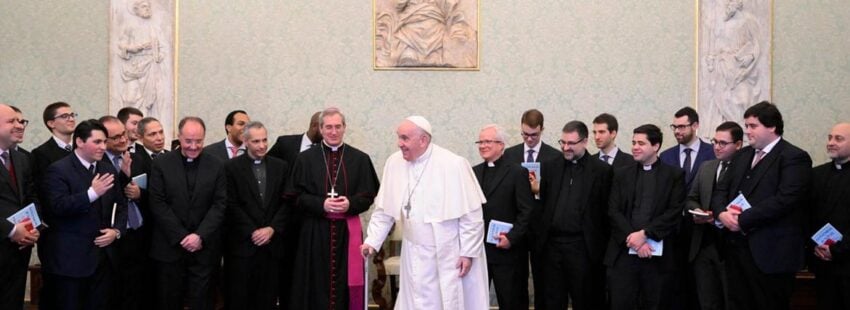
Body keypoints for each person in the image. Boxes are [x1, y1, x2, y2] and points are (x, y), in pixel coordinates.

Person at [361, 116, 489, 310]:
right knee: (414, 300)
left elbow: (472, 215)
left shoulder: (453, 164)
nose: (399, 144)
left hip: (447, 250)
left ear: (423, 140)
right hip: (412, 249)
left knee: (444, 301)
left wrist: (468, 252)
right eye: (399, 137)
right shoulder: (394, 163)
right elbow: (384, 209)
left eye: (404, 138)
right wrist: (372, 240)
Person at [711, 101, 812, 310]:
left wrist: (742, 220)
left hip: (772, 253)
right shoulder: (742, 155)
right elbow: (720, 189)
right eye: (746, 126)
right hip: (735, 250)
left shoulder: (794, 157)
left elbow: (786, 199)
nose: (747, 131)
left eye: (753, 126)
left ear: (772, 126)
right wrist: (721, 213)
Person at [286, 107, 379, 310]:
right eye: (328, 127)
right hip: (314, 232)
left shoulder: (360, 159)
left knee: (346, 282)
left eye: (338, 126)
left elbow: (368, 195)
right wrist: (321, 204)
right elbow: (295, 197)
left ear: (344, 128)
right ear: (321, 128)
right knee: (314, 281)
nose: (333, 131)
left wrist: (351, 204)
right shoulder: (305, 159)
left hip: (348, 233)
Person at [39, 119, 128, 310]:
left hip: (104, 260)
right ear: (79, 142)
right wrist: (91, 194)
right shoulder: (58, 170)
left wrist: (117, 232)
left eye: (104, 142)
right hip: (71, 262)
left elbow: (121, 206)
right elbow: (57, 207)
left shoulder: (107, 168)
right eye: (97, 142)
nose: (103, 147)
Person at [149, 117, 226, 310]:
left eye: (198, 141)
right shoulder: (161, 163)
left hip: (204, 247)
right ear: (179, 137)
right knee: (168, 300)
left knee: (202, 301)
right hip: (169, 246)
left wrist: (199, 236)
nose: (193, 146)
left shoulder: (216, 164)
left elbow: (220, 204)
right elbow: (157, 203)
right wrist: (182, 236)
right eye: (188, 141)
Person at [606, 124, 686, 310]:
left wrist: (645, 234)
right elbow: (613, 211)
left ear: (656, 146)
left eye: (641, 143)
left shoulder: (674, 175)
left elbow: (674, 212)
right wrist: (635, 240)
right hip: (623, 254)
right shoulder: (621, 174)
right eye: (633, 142)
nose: (635, 147)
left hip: (657, 256)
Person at [536, 121, 613, 310]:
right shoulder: (550, 167)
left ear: (585, 142)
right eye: (562, 142)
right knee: (552, 300)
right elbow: (543, 206)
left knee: (585, 299)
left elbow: (605, 212)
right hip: (552, 247)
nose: (565, 147)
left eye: (571, 143)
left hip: (583, 248)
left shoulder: (602, 171)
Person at [223, 121, 290, 310]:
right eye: (256, 141)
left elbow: (287, 203)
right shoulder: (230, 167)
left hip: (272, 245)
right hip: (242, 246)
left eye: (264, 140)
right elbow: (230, 204)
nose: (262, 146)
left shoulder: (281, 167)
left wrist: (271, 229)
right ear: (245, 141)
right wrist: (253, 231)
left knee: (267, 298)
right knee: (240, 298)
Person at [501, 108, 559, 308]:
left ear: (542, 130)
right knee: (516, 280)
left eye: (534, 135)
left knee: (544, 279)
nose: (529, 139)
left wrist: (539, 189)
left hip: (542, 227)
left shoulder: (554, 157)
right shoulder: (509, 155)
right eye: (525, 134)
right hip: (516, 226)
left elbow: (557, 196)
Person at [659, 106, 715, 310]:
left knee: (701, 288)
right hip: (672, 232)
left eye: (682, 127)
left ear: (695, 125)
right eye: (674, 127)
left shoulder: (712, 153)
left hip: (703, 232)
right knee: (674, 286)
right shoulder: (665, 156)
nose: (677, 131)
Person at [472, 124, 534, 309]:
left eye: (488, 141)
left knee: (511, 301)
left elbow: (527, 211)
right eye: (480, 141)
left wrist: (511, 238)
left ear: (501, 145)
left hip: (508, 251)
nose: (483, 145)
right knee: (477, 302)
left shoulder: (517, 172)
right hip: (480, 250)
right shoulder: (473, 172)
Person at [685, 121, 743, 310]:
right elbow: (691, 198)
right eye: (714, 141)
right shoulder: (707, 167)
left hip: (732, 247)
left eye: (723, 143)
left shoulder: (745, 169)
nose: (716, 147)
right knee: (707, 301)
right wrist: (697, 211)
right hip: (703, 245)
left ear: (739, 144)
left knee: (732, 300)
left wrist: (718, 217)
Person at [100, 115, 154, 310]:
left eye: (123, 134)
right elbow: (107, 196)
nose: (123, 140)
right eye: (115, 138)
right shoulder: (97, 162)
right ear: (103, 141)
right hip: (112, 237)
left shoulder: (138, 158)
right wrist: (123, 175)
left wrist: (141, 194)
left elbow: (156, 194)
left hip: (138, 234)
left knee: (137, 291)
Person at [0, 103, 39, 309]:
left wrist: (32, 228)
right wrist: (13, 230)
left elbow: (31, 196)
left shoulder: (21, 158)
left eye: (20, 121)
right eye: (11, 121)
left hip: (18, 250)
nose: (20, 125)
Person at [809, 122, 850, 310]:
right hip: (822, 265)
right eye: (830, 138)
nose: (831, 143)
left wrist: (837, 250)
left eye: (838, 139)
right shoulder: (817, 174)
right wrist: (815, 246)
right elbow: (807, 215)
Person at [118, 0, 166, 118]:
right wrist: (134, 48)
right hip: (133, 66)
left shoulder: (154, 27)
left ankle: (147, 125)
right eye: (144, 6)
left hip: (151, 66)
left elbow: (163, 46)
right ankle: (131, 126)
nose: (147, 9)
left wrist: (159, 55)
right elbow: (121, 45)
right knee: (131, 97)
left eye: (148, 7)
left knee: (150, 99)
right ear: (136, 9)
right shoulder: (129, 26)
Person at [32, 102, 76, 186]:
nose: (71, 119)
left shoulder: (82, 148)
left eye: (72, 115)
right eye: (64, 116)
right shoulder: (40, 154)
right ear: (51, 123)